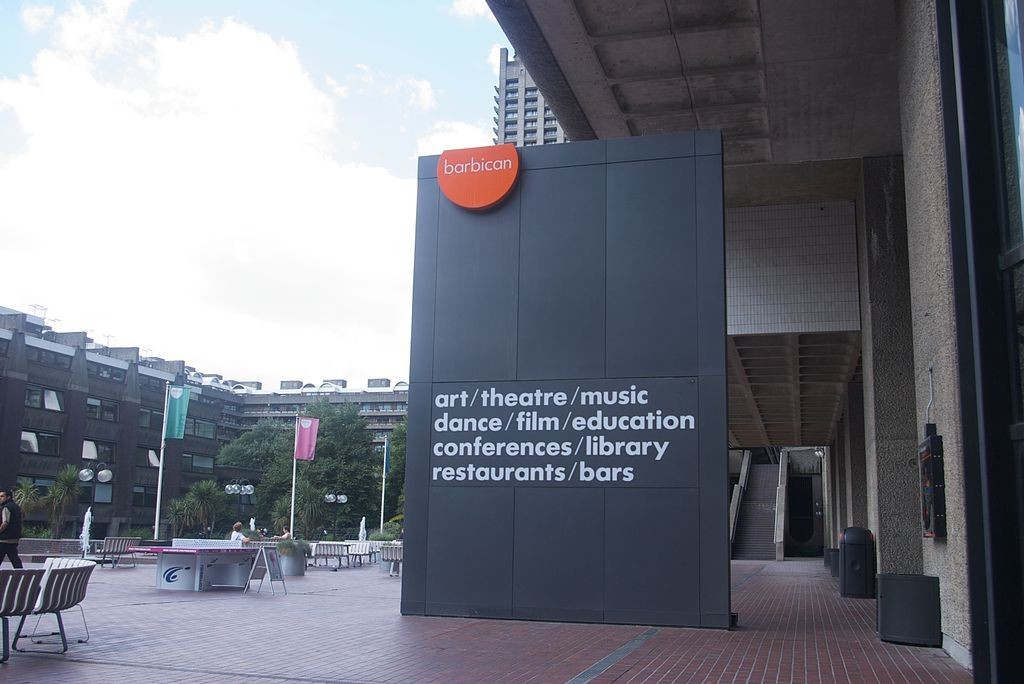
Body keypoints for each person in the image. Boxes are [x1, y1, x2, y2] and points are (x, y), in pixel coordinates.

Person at [0, 487, 24, 568]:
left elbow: (5, 522)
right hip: (14, 539)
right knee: (15, 560)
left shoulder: (6, 507)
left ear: (8, 497)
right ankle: (21, 573)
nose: (0, 498)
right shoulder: (16, 507)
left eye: (2, 496)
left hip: (4, 539)